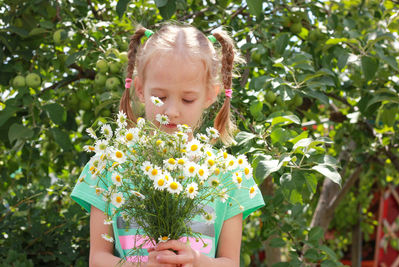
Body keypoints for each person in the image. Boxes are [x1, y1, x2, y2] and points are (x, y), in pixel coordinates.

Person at [71, 22, 265, 267]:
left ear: (210, 95)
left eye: (187, 99)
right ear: (140, 89)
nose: (171, 111)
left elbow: (229, 262)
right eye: (160, 97)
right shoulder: (107, 167)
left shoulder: (228, 174)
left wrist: (195, 260)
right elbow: (98, 259)